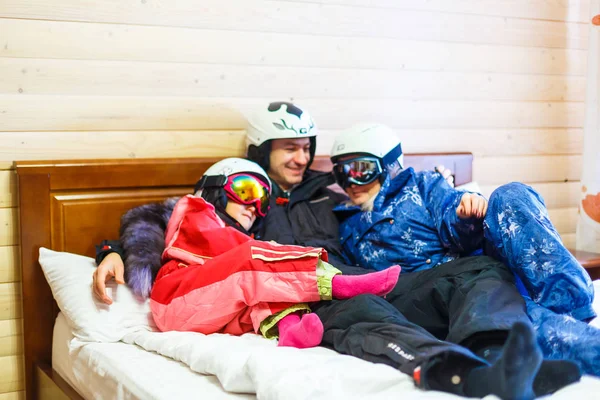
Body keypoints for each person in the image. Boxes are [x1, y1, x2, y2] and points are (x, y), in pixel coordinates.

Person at [93, 102, 580, 398]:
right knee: (361, 309)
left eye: (307, 147)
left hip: (382, 280)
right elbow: (176, 221)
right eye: (288, 148)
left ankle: (500, 354)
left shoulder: (332, 189)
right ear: (261, 152)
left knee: (476, 270)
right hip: (319, 293)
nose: (301, 157)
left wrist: (450, 202)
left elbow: (390, 185)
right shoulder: (247, 200)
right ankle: (459, 371)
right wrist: (115, 249)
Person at [329, 122, 600, 376]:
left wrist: (465, 214)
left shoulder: (423, 184)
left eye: (360, 170)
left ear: (388, 165)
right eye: (341, 173)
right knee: (534, 322)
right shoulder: (344, 225)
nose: (350, 183)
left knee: (511, 194)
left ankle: (569, 304)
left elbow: (454, 220)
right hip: (460, 296)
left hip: (483, 267)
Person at [149, 157, 400, 348]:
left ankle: (291, 332)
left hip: (206, 306)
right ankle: (339, 284)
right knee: (252, 261)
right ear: (214, 187)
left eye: (263, 201)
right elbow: (229, 248)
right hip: (174, 294)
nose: (255, 207)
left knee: (266, 287)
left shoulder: (237, 243)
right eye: (246, 192)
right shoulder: (194, 210)